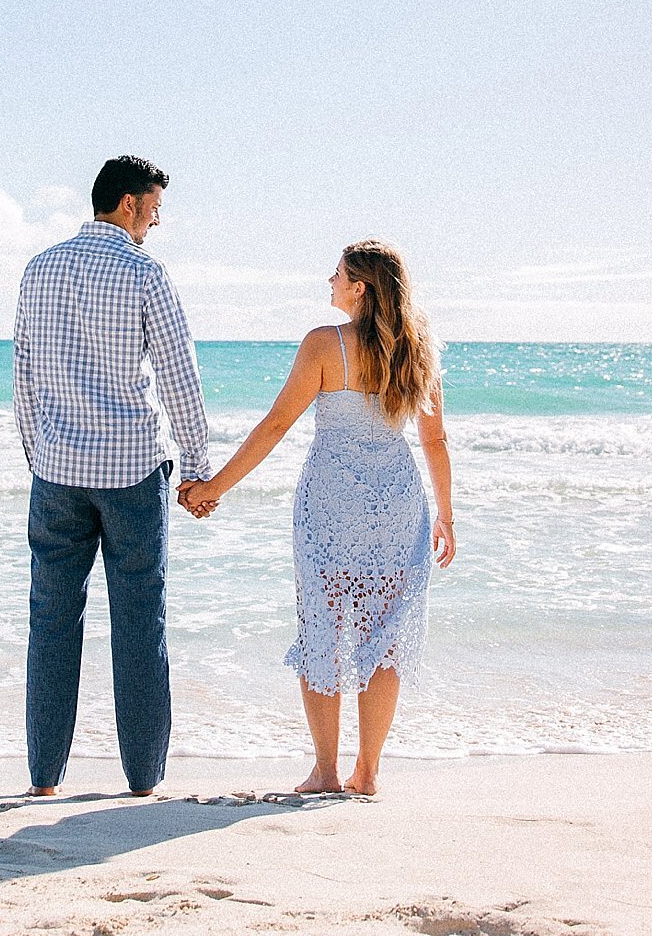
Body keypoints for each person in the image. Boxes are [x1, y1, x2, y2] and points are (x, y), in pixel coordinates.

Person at [179, 239, 455, 796]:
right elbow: (435, 439)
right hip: (398, 501)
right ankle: (368, 771)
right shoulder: (417, 349)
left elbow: (277, 425)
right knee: (386, 633)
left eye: (337, 275)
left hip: (333, 502)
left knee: (323, 627)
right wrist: (446, 515)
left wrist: (214, 487)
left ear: (359, 287)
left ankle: (327, 772)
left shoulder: (326, 344)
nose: (328, 282)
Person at [12, 154, 213, 799]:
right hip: (130, 469)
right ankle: (142, 778)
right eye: (152, 210)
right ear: (127, 204)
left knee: (52, 619)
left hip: (57, 471)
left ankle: (44, 779)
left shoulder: (39, 269)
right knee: (137, 618)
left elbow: (24, 377)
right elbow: (181, 376)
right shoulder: (145, 272)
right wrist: (199, 467)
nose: (152, 224)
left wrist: (36, 453)